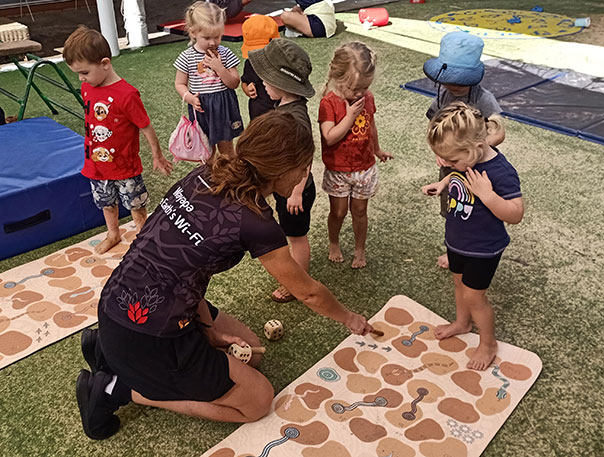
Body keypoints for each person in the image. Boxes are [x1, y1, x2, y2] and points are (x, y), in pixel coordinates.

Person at [75, 111, 375, 440]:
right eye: (304, 168)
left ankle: (106, 350)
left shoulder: (204, 174)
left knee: (251, 351)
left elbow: (187, 268)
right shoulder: (256, 222)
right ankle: (112, 388)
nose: (305, 175)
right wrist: (348, 318)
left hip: (116, 304)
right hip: (150, 336)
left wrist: (209, 331)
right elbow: (308, 293)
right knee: (257, 401)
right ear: (282, 169)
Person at [421, 101, 524, 371]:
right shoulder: (469, 158)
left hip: (483, 248)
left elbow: (515, 213)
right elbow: (460, 173)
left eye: (453, 159)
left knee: (475, 297)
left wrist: (487, 195)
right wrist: (443, 183)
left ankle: (488, 343)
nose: (447, 163)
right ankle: (462, 323)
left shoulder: (501, 172)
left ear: (477, 148)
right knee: (459, 286)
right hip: (457, 240)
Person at [63, 26, 173, 255]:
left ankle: (143, 239)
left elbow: (145, 126)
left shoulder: (127, 95)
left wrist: (157, 155)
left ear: (105, 63)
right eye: (78, 74)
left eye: (84, 72)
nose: (81, 79)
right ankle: (113, 233)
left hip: (125, 166)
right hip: (96, 164)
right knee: (106, 202)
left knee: (136, 204)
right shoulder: (87, 88)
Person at [424, 31, 504, 269]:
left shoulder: (483, 98)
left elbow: (499, 130)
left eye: (460, 80)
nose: (453, 85)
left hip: (478, 172)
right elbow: (433, 123)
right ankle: (453, 251)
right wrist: (441, 151)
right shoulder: (443, 96)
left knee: (475, 211)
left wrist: (474, 150)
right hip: (451, 168)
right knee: (452, 210)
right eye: (449, 79)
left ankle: (475, 249)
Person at [249, 38, 316, 303]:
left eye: (268, 77)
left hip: (295, 192)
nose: (263, 82)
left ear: (283, 82)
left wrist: (296, 192)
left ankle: (299, 283)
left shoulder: (296, 118)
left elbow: (305, 160)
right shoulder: (286, 106)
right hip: (285, 189)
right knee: (290, 234)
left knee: (297, 238)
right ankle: (296, 276)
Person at [319, 41, 393, 269]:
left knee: (360, 210)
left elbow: (371, 125)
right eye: (354, 89)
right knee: (339, 211)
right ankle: (334, 242)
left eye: (365, 87)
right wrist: (350, 115)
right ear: (337, 78)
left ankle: (360, 249)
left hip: (364, 166)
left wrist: (377, 149)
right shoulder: (328, 103)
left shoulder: (366, 98)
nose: (360, 93)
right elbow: (329, 136)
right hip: (338, 168)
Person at [174, 1, 243, 157]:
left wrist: (220, 68)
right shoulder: (187, 57)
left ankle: (230, 177)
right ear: (193, 33)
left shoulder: (224, 53)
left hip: (223, 105)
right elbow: (180, 83)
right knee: (205, 150)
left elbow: (234, 83)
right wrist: (189, 97)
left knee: (227, 150)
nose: (213, 42)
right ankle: (210, 177)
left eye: (217, 36)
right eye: (207, 37)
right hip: (201, 108)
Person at [240, 15, 280, 120]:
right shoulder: (250, 63)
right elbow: (244, 81)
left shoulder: (281, 60)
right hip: (258, 110)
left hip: (280, 109)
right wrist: (247, 90)